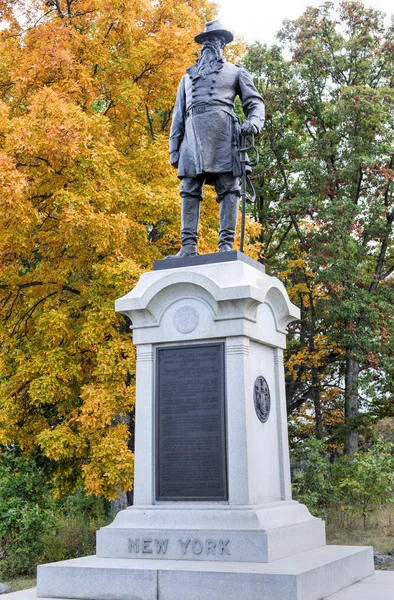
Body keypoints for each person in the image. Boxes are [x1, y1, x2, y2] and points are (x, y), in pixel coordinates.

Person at [167, 20, 265, 258]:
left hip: (224, 134)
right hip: (192, 136)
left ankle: (225, 246)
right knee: (189, 187)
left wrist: (253, 122)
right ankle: (188, 247)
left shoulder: (236, 72)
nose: (210, 44)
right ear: (202, 45)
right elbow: (178, 114)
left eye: (215, 40)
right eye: (206, 41)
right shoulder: (186, 78)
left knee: (229, 186)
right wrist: (174, 149)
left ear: (222, 44)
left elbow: (255, 103)